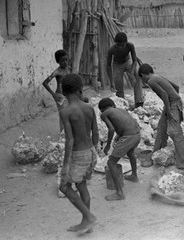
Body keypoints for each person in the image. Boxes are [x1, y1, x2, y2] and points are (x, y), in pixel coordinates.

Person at [58, 73, 99, 234]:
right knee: (81, 185)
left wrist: (65, 165)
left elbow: (70, 140)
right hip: (90, 151)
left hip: (78, 155)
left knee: (64, 186)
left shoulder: (66, 111)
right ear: (79, 90)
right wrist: (95, 151)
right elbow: (95, 133)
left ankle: (89, 217)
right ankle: (86, 222)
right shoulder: (89, 107)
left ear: (64, 92)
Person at [138, 63, 184, 170]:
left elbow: (164, 94)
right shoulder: (158, 76)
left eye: (141, 79)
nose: (143, 81)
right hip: (172, 103)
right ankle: (157, 153)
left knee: (175, 132)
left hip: (172, 104)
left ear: (143, 75)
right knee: (162, 128)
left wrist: (169, 109)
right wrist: (172, 101)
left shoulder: (151, 81)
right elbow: (176, 87)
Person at [98, 97, 141, 201]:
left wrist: (107, 145)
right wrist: (119, 135)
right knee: (131, 153)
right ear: (113, 105)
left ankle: (119, 193)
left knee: (111, 163)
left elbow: (111, 128)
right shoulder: (121, 110)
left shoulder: (104, 114)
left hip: (128, 137)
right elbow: (126, 124)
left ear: (102, 109)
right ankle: (134, 176)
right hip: (137, 134)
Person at [107, 32, 144, 108]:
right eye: (118, 45)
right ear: (115, 43)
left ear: (126, 43)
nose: (120, 47)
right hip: (117, 64)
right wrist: (111, 82)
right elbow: (108, 65)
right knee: (118, 84)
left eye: (122, 45)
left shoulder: (130, 46)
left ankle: (139, 102)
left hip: (128, 62)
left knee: (137, 77)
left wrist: (131, 73)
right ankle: (122, 104)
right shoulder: (112, 49)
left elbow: (134, 61)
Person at [43, 49, 71, 133]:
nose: (65, 62)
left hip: (68, 95)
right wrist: (53, 95)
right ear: (58, 62)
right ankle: (62, 135)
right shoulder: (57, 72)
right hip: (60, 97)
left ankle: (68, 133)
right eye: (62, 61)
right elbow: (45, 83)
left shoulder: (68, 69)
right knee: (63, 116)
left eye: (66, 60)